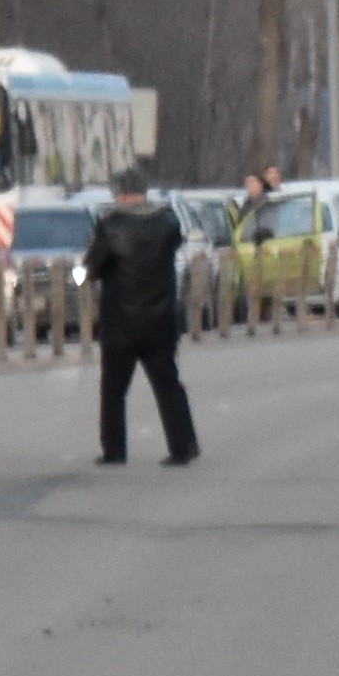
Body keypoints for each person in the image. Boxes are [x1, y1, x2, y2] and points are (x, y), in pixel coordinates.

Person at [89, 163, 196, 471]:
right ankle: (183, 445)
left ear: (120, 194)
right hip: (161, 319)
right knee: (168, 385)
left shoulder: (110, 227)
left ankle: (114, 450)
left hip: (120, 322)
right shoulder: (166, 222)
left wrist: (81, 271)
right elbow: (175, 245)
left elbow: (91, 269)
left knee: (113, 389)